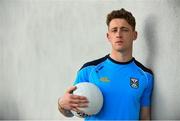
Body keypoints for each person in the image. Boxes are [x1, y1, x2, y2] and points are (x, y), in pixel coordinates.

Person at [58, 8, 154, 120]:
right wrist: (62, 104)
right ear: (108, 36)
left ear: (135, 35)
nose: (118, 34)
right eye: (114, 30)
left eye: (124, 30)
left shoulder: (146, 76)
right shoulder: (89, 70)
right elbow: (71, 112)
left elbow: (145, 117)